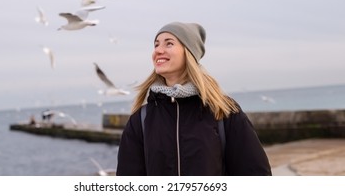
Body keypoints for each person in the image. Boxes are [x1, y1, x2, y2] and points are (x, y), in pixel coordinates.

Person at [116, 21, 272, 176]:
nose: (158, 50)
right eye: (156, 45)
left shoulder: (224, 111)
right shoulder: (141, 120)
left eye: (168, 44)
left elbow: (256, 175)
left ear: (189, 52)